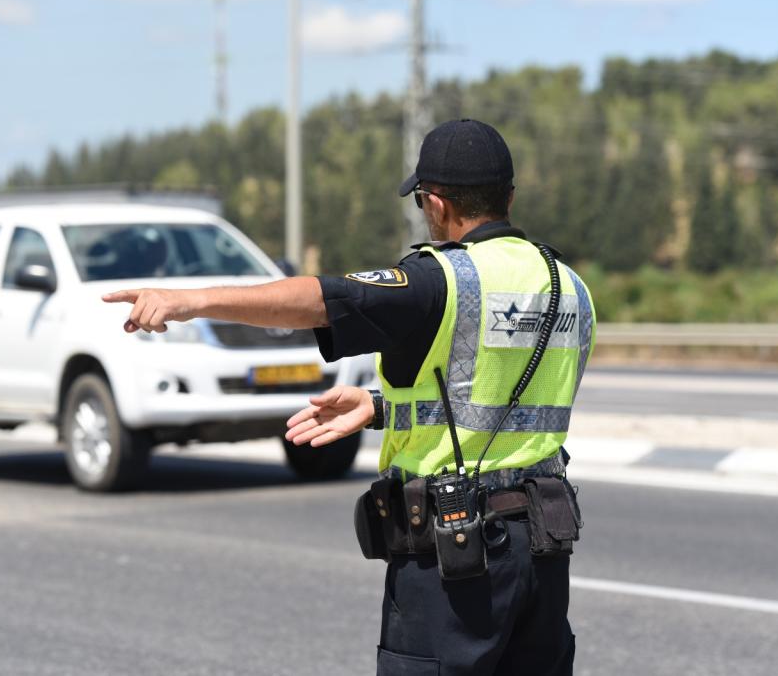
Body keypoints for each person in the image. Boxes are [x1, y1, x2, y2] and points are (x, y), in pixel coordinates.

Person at [103, 118, 596, 676]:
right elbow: (510, 402)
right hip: (543, 552)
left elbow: (319, 298)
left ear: (434, 204)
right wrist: (382, 406)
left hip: (457, 561)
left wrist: (188, 300)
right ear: (508, 197)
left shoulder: (440, 280)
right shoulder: (569, 287)